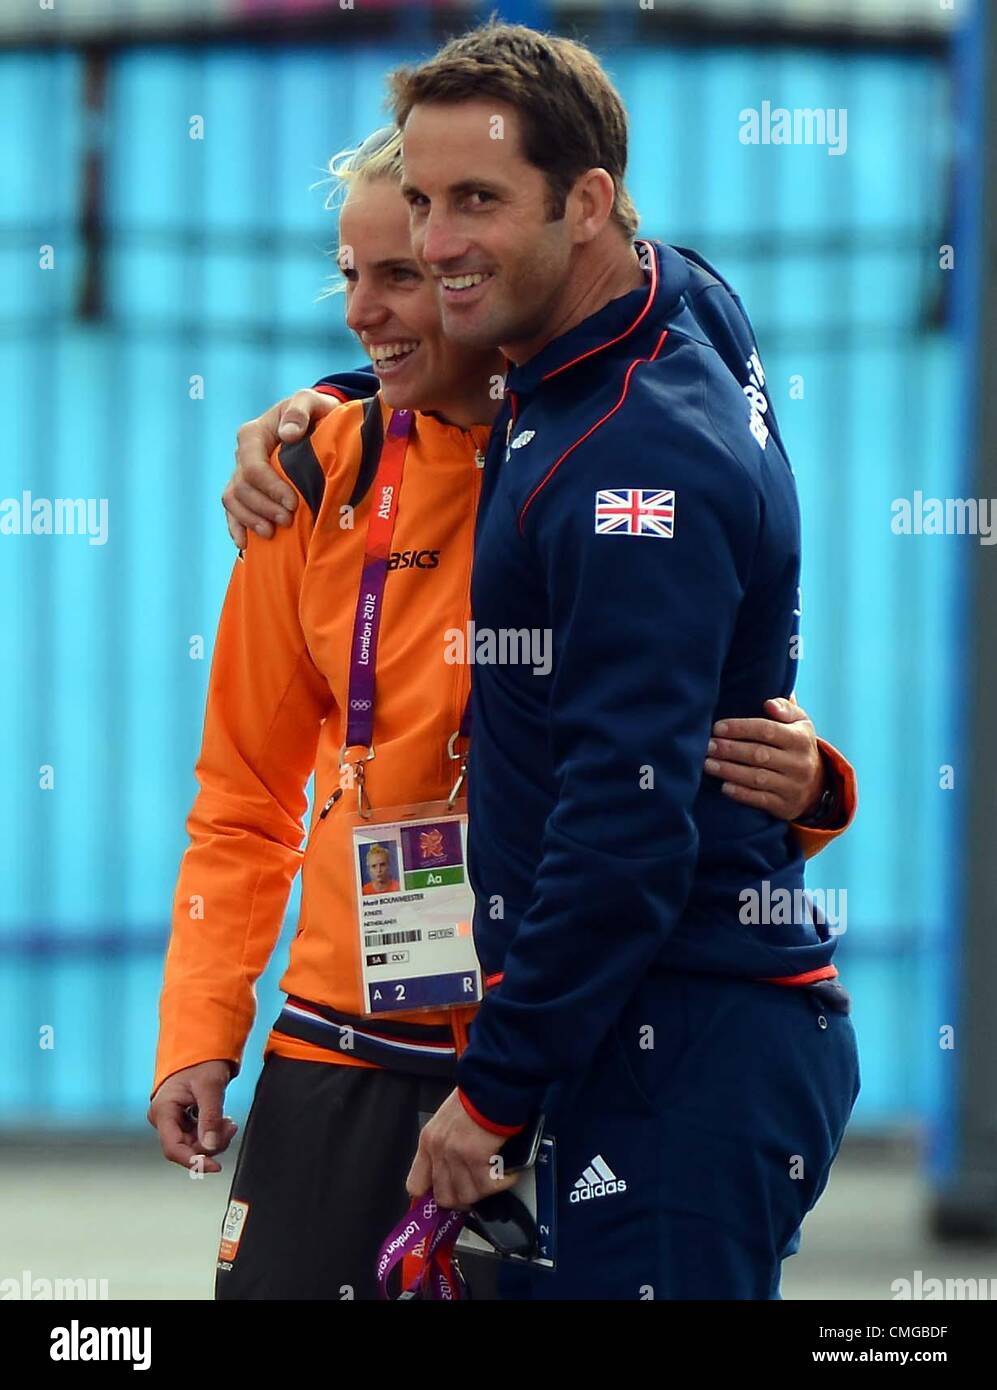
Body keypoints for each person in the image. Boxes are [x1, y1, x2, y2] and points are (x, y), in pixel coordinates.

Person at [152, 116, 854, 1301]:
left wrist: (816, 783)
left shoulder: (606, 456)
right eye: (354, 275)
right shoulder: (314, 475)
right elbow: (242, 793)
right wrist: (199, 1026)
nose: (364, 311)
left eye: (408, 276)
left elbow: (666, 745)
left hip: (562, 1042)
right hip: (347, 1037)